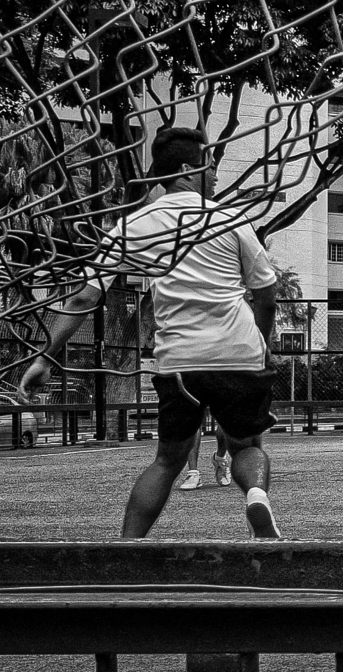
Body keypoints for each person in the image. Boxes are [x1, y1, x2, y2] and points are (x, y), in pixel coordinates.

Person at [20, 127, 284, 539]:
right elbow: (266, 295)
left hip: (178, 361)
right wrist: (262, 344)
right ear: (186, 169)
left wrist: (45, 358)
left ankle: (127, 549)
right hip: (238, 352)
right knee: (246, 445)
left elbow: (81, 300)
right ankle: (256, 496)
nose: (214, 174)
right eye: (209, 166)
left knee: (167, 460)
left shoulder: (133, 224)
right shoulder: (229, 218)